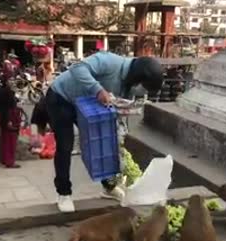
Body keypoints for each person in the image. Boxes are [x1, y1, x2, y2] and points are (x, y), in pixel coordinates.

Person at [32, 51, 164, 212]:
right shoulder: (109, 61)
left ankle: (108, 187)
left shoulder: (128, 85)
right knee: (65, 146)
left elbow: (117, 104)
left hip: (87, 106)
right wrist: (98, 90)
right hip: (62, 98)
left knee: (104, 142)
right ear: (137, 77)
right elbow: (77, 68)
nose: (143, 91)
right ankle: (64, 193)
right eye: (143, 86)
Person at [0, 82, 21, 169]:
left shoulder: (1, 92)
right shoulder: (8, 93)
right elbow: (9, 107)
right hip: (9, 119)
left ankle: (5, 159)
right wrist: (9, 121)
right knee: (10, 142)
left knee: (5, 140)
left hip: (3, 118)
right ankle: (10, 161)